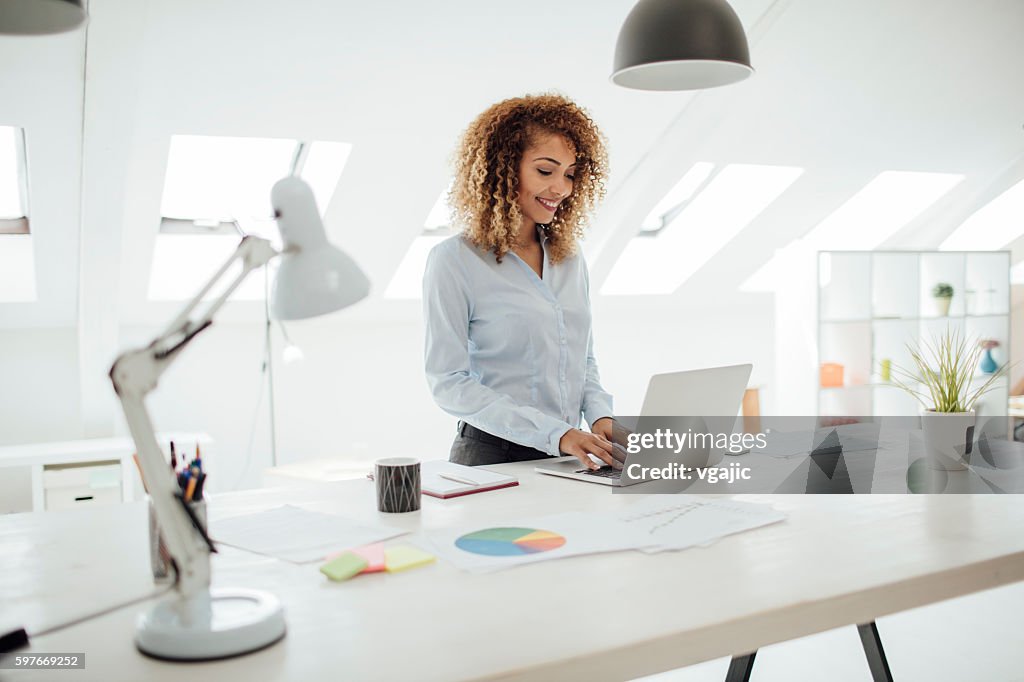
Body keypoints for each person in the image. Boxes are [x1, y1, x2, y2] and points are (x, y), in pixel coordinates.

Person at [422, 93, 618, 470]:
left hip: (569, 456)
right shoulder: (454, 260)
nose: (561, 188)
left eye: (571, 174)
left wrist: (600, 417)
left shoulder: (569, 260)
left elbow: (583, 360)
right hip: (491, 458)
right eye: (546, 171)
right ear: (504, 167)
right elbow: (448, 381)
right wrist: (554, 433)